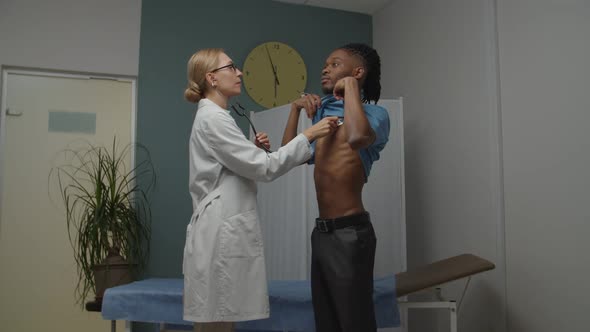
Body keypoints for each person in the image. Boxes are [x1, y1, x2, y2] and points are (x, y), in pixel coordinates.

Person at [182, 48, 338, 332]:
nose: (239, 72)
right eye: (231, 67)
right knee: (216, 320)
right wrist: (309, 135)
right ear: (212, 78)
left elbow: (229, 168)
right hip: (219, 229)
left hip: (219, 225)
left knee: (219, 317)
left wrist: (251, 151)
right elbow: (266, 169)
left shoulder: (216, 117)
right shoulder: (213, 119)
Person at [281, 43, 390, 332]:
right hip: (323, 234)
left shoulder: (376, 115)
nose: (325, 68)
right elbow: (288, 155)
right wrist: (295, 110)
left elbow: (356, 137)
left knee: (355, 323)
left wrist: (352, 88)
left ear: (357, 72)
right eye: (326, 64)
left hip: (350, 234)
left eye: (335, 64)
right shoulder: (323, 116)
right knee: (327, 322)